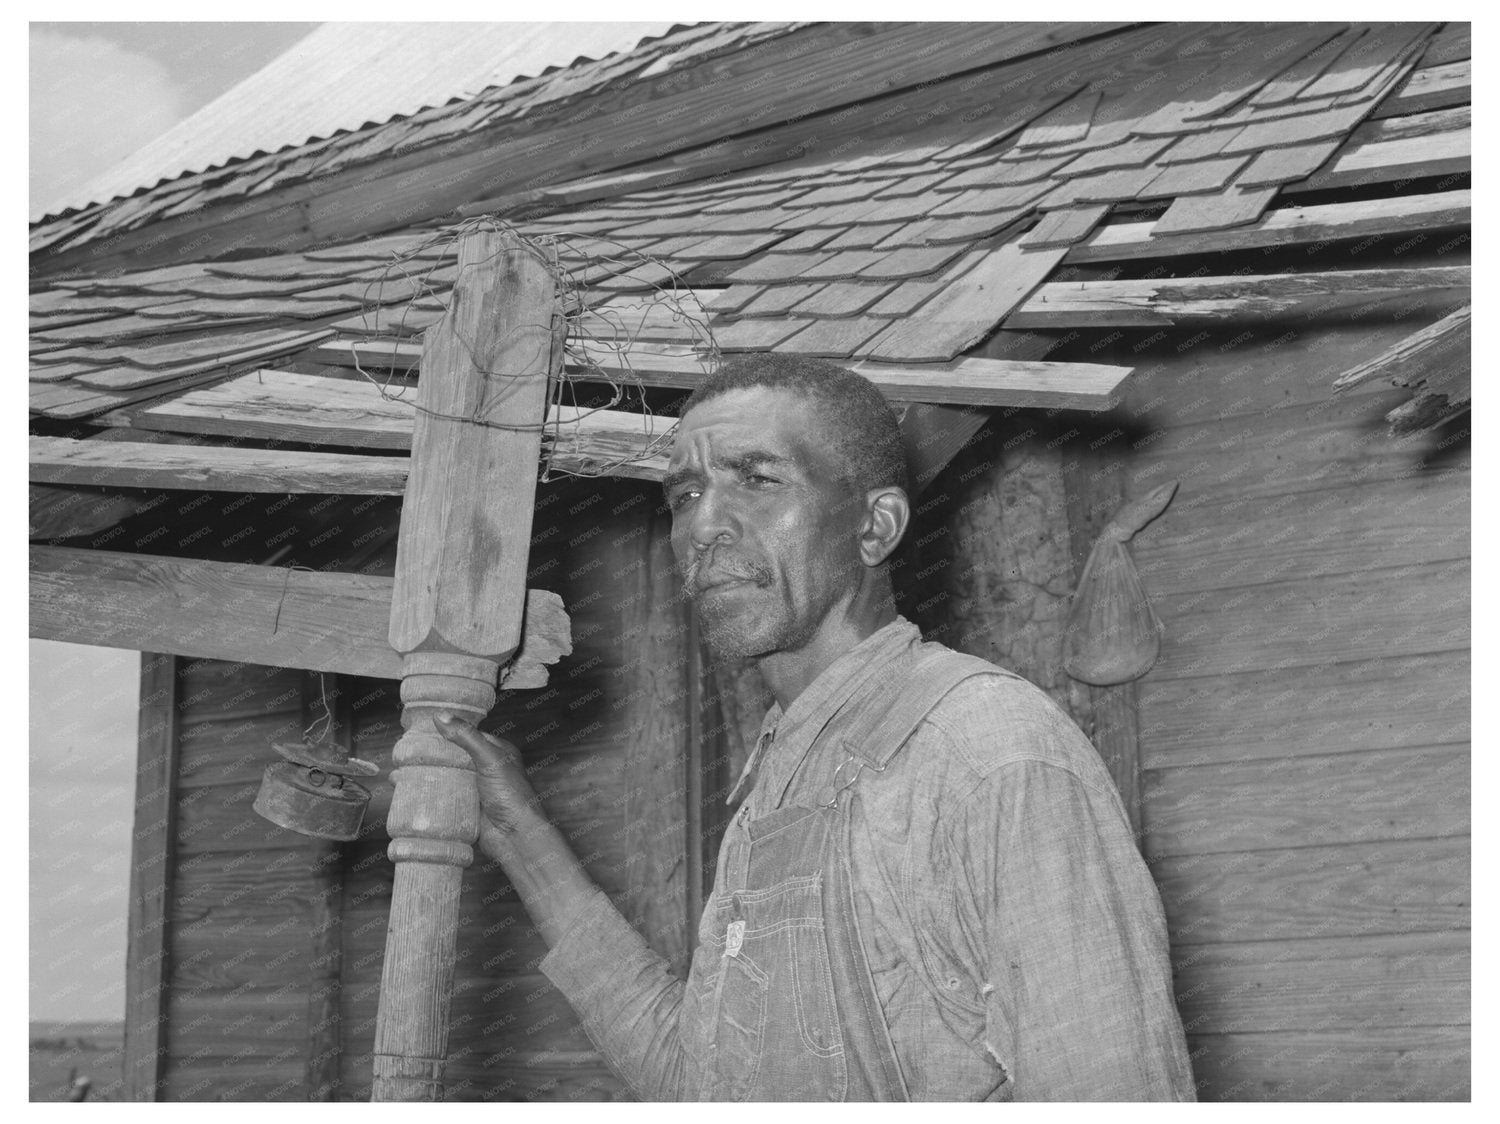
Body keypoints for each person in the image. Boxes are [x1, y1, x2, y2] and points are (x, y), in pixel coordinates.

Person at [437, 355, 1196, 1102]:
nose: (703, 526)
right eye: (685, 493)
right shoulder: (783, 779)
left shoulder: (989, 754)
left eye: (758, 480)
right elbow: (701, 1085)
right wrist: (515, 830)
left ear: (875, 526)